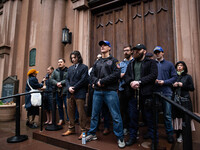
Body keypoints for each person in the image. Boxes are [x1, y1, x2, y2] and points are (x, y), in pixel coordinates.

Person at [85, 40, 125, 148]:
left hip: (110, 91)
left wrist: (102, 81)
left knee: (116, 115)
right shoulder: (97, 62)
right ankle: (92, 133)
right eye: (101, 45)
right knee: (94, 114)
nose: (102, 47)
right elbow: (92, 74)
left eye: (105, 45)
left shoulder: (114, 61)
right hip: (98, 92)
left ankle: (120, 137)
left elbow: (116, 75)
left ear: (109, 48)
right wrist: (96, 81)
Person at [124, 44, 158, 148]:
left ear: (144, 51)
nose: (135, 52)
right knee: (133, 118)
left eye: (138, 50)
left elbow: (153, 75)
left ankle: (154, 141)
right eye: (134, 50)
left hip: (146, 95)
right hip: (133, 95)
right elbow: (127, 76)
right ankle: (132, 137)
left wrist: (139, 82)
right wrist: (130, 82)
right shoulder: (131, 63)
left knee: (149, 119)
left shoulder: (151, 62)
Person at [62, 51, 88, 140]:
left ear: (78, 57)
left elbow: (84, 80)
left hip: (79, 92)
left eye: (75, 57)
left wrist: (74, 88)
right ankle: (71, 128)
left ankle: (83, 131)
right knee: (70, 112)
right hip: (69, 93)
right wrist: (69, 87)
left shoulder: (84, 67)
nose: (73, 59)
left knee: (81, 113)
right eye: (72, 58)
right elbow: (66, 79)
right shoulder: (70, 68)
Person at [153, 46, 177, 143]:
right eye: (156, 52)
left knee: (167, 115)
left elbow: (174, 77)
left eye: (159, 52)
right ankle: (154, 135)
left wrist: (164, 82)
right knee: (154, 115)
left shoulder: (169, 64)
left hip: (166, 92)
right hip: (155, 93)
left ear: (163, 53)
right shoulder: (152, 64)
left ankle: (169, 134)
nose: (157, 54)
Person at [172, 61, 195, 143]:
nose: (179, 67)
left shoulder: (188, 77)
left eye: (181, 65)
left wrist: (183, 85)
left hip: (185, 100)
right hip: (176, 100)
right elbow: (170, 88)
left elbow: (192, 88)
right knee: (177, 118)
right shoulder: (174, 76)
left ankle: (185, 136)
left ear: (184, 67)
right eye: (178, 65)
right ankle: (178, 135)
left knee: (185, 118)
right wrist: (173, 85)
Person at [118, 45, 133, 135]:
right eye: (124, 51)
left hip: (131, 88)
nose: (125, 52)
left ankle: (133, 128)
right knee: (122, 109)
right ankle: (125, 127)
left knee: (132, 110)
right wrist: (122, 75)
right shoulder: (120, 64)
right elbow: (117, 75)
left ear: (131, 51)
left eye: (127, 50)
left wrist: (124, 74)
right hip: (122, 89)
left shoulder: (134, 62)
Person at [51, 58, 68, 125]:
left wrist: (61, 83)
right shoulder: (55, 71)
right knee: (59, 106)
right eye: (58, 62)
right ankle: (61, 119)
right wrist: (57, 83)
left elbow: (68, 79)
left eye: (61, 62)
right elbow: (51, 79)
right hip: (58, 91)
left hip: (65, 91)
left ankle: (69, 120)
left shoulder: (68, 70)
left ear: (64, 63)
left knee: (67, 106)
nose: (59, 63)